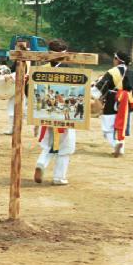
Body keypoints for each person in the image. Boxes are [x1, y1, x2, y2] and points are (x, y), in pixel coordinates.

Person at [34, 38, 74, 186]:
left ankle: (41, 163)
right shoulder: (69, 69)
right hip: (64, 113)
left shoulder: (42, 68)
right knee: (66, 146)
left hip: (45, 111)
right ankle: (59, 177)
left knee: (48, 143)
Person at [93, 51, 133, 157]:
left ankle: (116, 144)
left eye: (114, 58)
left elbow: (99, 89)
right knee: (121, 126)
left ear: (117, 60)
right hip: (127, 103)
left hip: (112, 100)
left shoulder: (112, 72)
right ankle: (121, 148)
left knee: (107, 127)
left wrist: (91, 94)